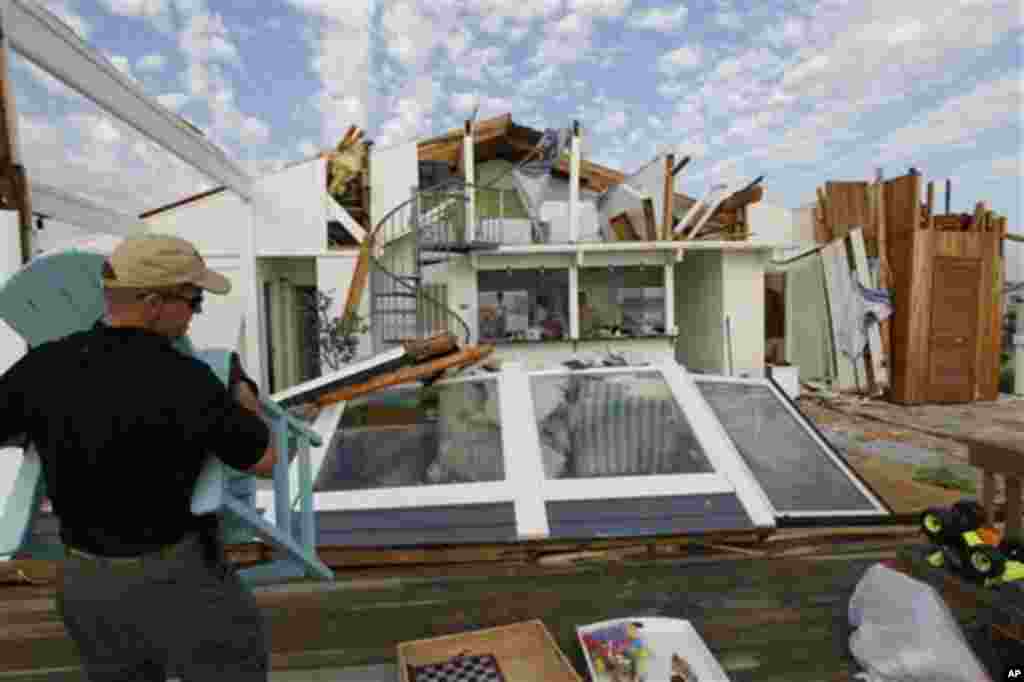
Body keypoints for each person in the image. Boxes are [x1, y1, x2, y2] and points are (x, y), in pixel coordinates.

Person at [0, 234, 279, 681]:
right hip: (178, 576)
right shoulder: (185, 379)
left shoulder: (44, 366)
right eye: (193, 301)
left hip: (86, 582)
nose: (194, 315)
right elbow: (264, 458)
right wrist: (241, 388)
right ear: (153, 303)